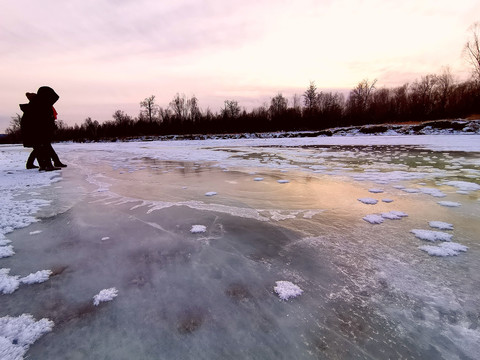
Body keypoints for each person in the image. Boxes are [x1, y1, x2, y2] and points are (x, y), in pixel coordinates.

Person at [20, 86, 64, 171]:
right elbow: (43, 119)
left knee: (40, 147)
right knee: (43, 146)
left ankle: (44, 165)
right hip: (38, 130)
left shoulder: (37, 103)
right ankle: (48, 165)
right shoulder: (41, 103)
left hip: (34, 130)